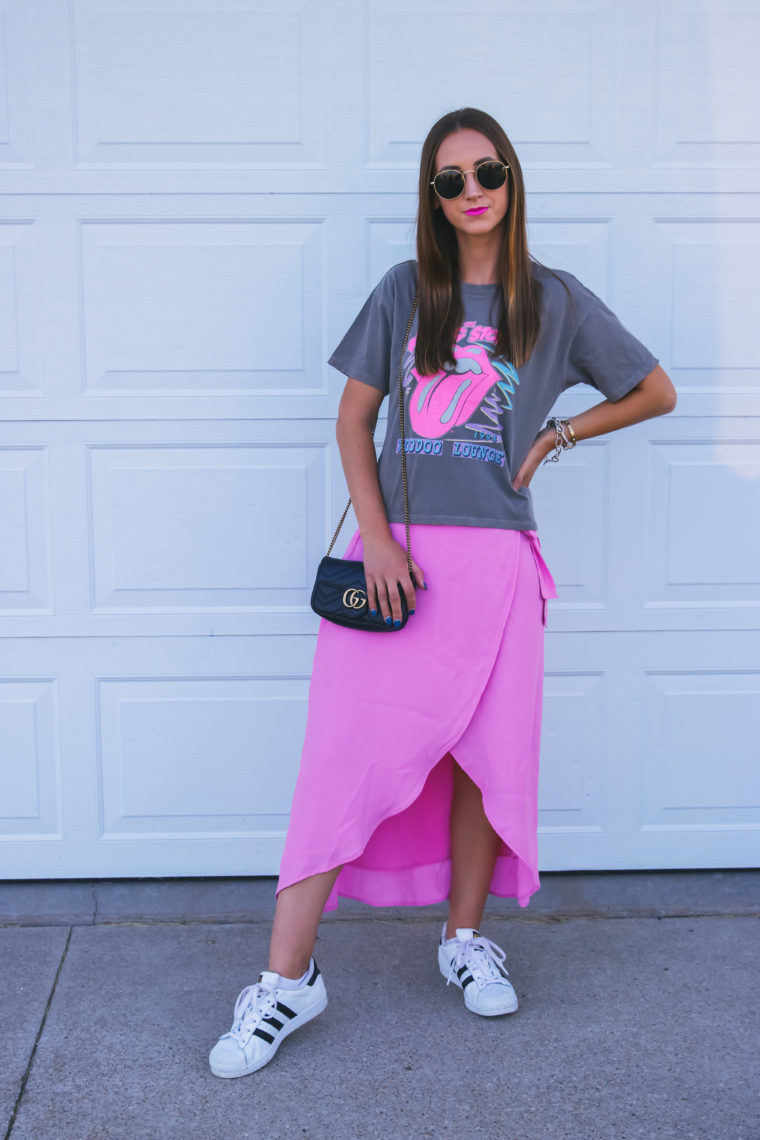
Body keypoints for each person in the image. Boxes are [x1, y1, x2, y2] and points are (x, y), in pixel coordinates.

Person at [209, 107, 677, 1078]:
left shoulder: (554, 300)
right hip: (402, 564)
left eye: (486, 173)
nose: (471, 193)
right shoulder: (403, 293)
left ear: (512, 180)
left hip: (499, 565)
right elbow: (353, 421)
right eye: (448, 181)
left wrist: (558, 437)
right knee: (339, 761)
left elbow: (654, 390)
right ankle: (287, 981)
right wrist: (377, 535)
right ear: (430, 198)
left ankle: (463, 939)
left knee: (479, 759)